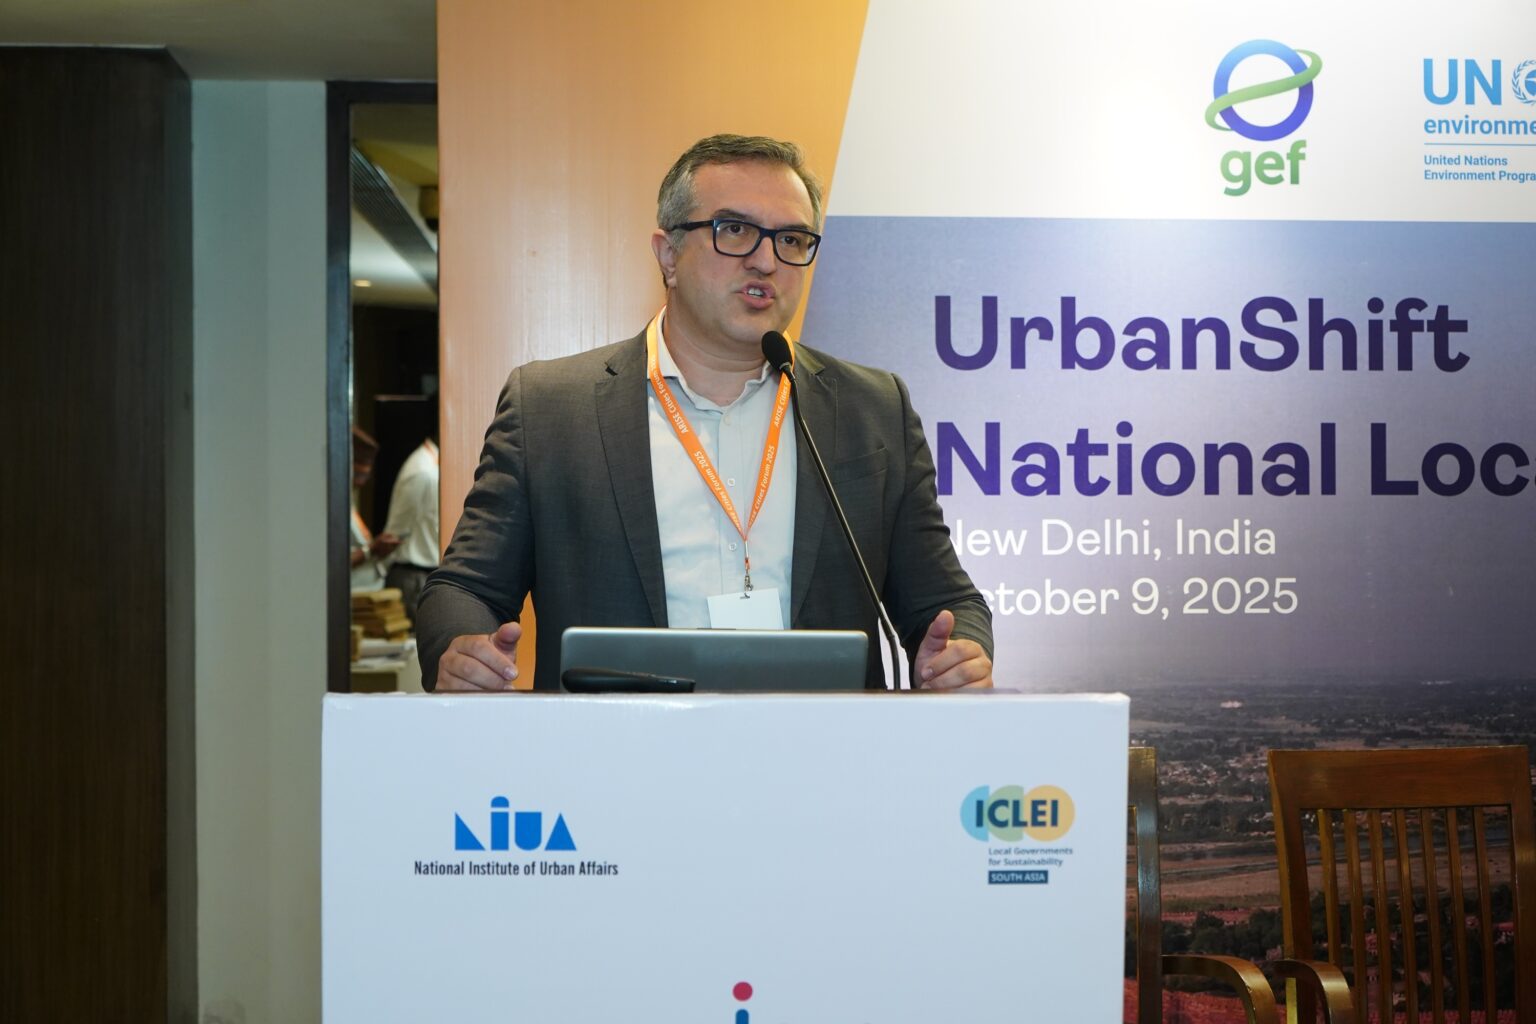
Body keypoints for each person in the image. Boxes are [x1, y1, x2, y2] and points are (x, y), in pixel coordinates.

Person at [418, 134, 992, 692]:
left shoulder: (873, 408)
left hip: (819, 747)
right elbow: (465, 589)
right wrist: (459, 647)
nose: (766, 260)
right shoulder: (550, 408)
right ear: (668, 254)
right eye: (734, 230)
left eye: (792, 239)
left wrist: (958, 651)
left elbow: (944, 601)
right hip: (618, 745)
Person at [381, 396, 441, 622]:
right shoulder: (422, 471)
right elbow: (394, 533)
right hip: (413, 577)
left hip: (426, 573)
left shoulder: (434, 465)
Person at [349, 426, 401, 591]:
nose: (361, 483)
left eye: (366, 475)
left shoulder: (348, 499)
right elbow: (334, 563)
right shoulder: (329, 505)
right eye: (358, 475)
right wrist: (371, 549)